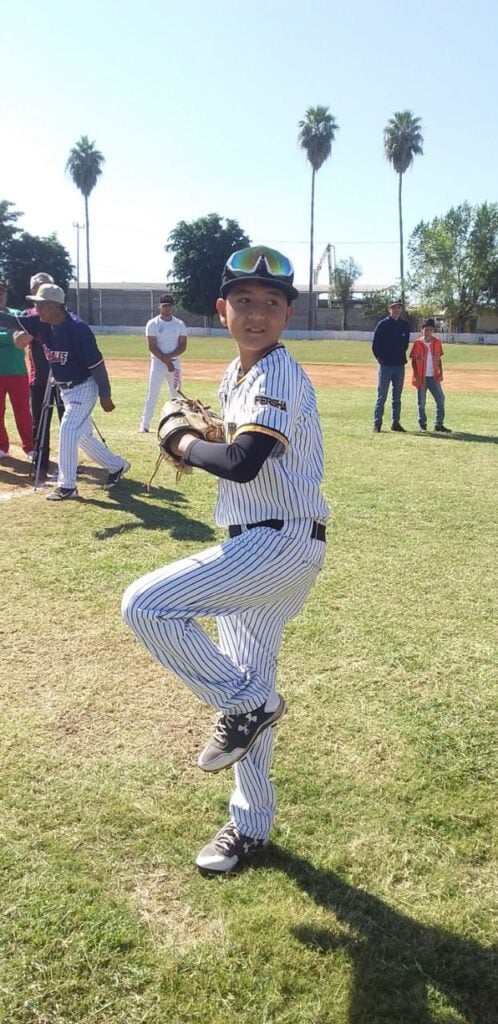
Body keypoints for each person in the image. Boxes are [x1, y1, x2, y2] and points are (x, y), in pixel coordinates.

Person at [122, 245, 328, 874]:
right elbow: (235, 453)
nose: (256, 313)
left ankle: (244, 705)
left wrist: (178, 439)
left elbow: (243, 462)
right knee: (251, 696)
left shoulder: (279, 374)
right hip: (253, 541)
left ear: (287, 315)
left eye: (271, 303)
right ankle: (250, 826)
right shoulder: (233, 376)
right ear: (221, 310)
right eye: (243, 301)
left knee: (146, 604)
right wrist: (203, 436)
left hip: (280, 541)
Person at [0, 283, 130, 500]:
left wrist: (105, 395)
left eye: (40, 305)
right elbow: (10, 320)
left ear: (55, 306)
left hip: (84, 387)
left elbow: (97, 364)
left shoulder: (78, 329)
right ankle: (117, 466)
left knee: (68, 429)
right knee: (81, 437)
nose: (36, 309)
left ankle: (67, 485)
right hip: (65, 390)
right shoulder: (41, 323)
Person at [14, 272, 65, 476]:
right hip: (39, 377)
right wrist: (37, 325)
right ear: (33, 292)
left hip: (63, 376)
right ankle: (40, 463)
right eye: (39, 288)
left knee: (67, 420)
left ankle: (68, 462)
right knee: (40, 422)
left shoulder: (61, 314)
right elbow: (19, 342)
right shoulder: (28, 316)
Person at [138, 294, 187, 433]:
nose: (167, 309)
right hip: (157, 363)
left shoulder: (179, 324)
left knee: (176, 394)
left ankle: (178, 424)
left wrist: (170, 359)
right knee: (152, 393)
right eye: (164, 306)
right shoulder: (153, 324)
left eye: (169, 306)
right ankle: (145, 424)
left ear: (173, 307)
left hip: (175, 363)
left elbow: (183, 346)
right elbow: (152, 346)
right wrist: (165, 360)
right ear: (159, 306)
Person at [0, 280, 34, 459]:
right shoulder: (15, 319)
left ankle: (30, 447)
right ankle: (2, 447)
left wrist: (11, 339)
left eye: (3, 290)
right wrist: (10, 338)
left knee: (23, 412)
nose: (0, 294)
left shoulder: (17, 314)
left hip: (17, 372)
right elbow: (14, 339)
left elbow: (20, 342)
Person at [372, 299, 411, 433]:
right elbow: (375, 345)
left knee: (397, 397)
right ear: (390, 309)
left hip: (399, 365)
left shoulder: (405, 326)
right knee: (382, 395)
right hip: (385, 365)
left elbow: (405, 345)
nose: (397, 310)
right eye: (394, 308)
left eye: (399, 308)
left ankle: (396, 423)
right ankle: (377, 424)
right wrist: (381, 359)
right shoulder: (382, 325)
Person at [410, 318, 451, 432]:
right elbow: (413, 360)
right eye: (426, 329)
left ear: (433, 331)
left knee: (440, 399)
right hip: (422, 377)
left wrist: (440, 373)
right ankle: (422, 425)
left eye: (430, 330)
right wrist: (416, 375)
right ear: (421, 330)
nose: (428, 332)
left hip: (433, 377)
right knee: (421, 402)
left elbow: (439, 359)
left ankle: (438, 424)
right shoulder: (418, 343)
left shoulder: (437, 342)